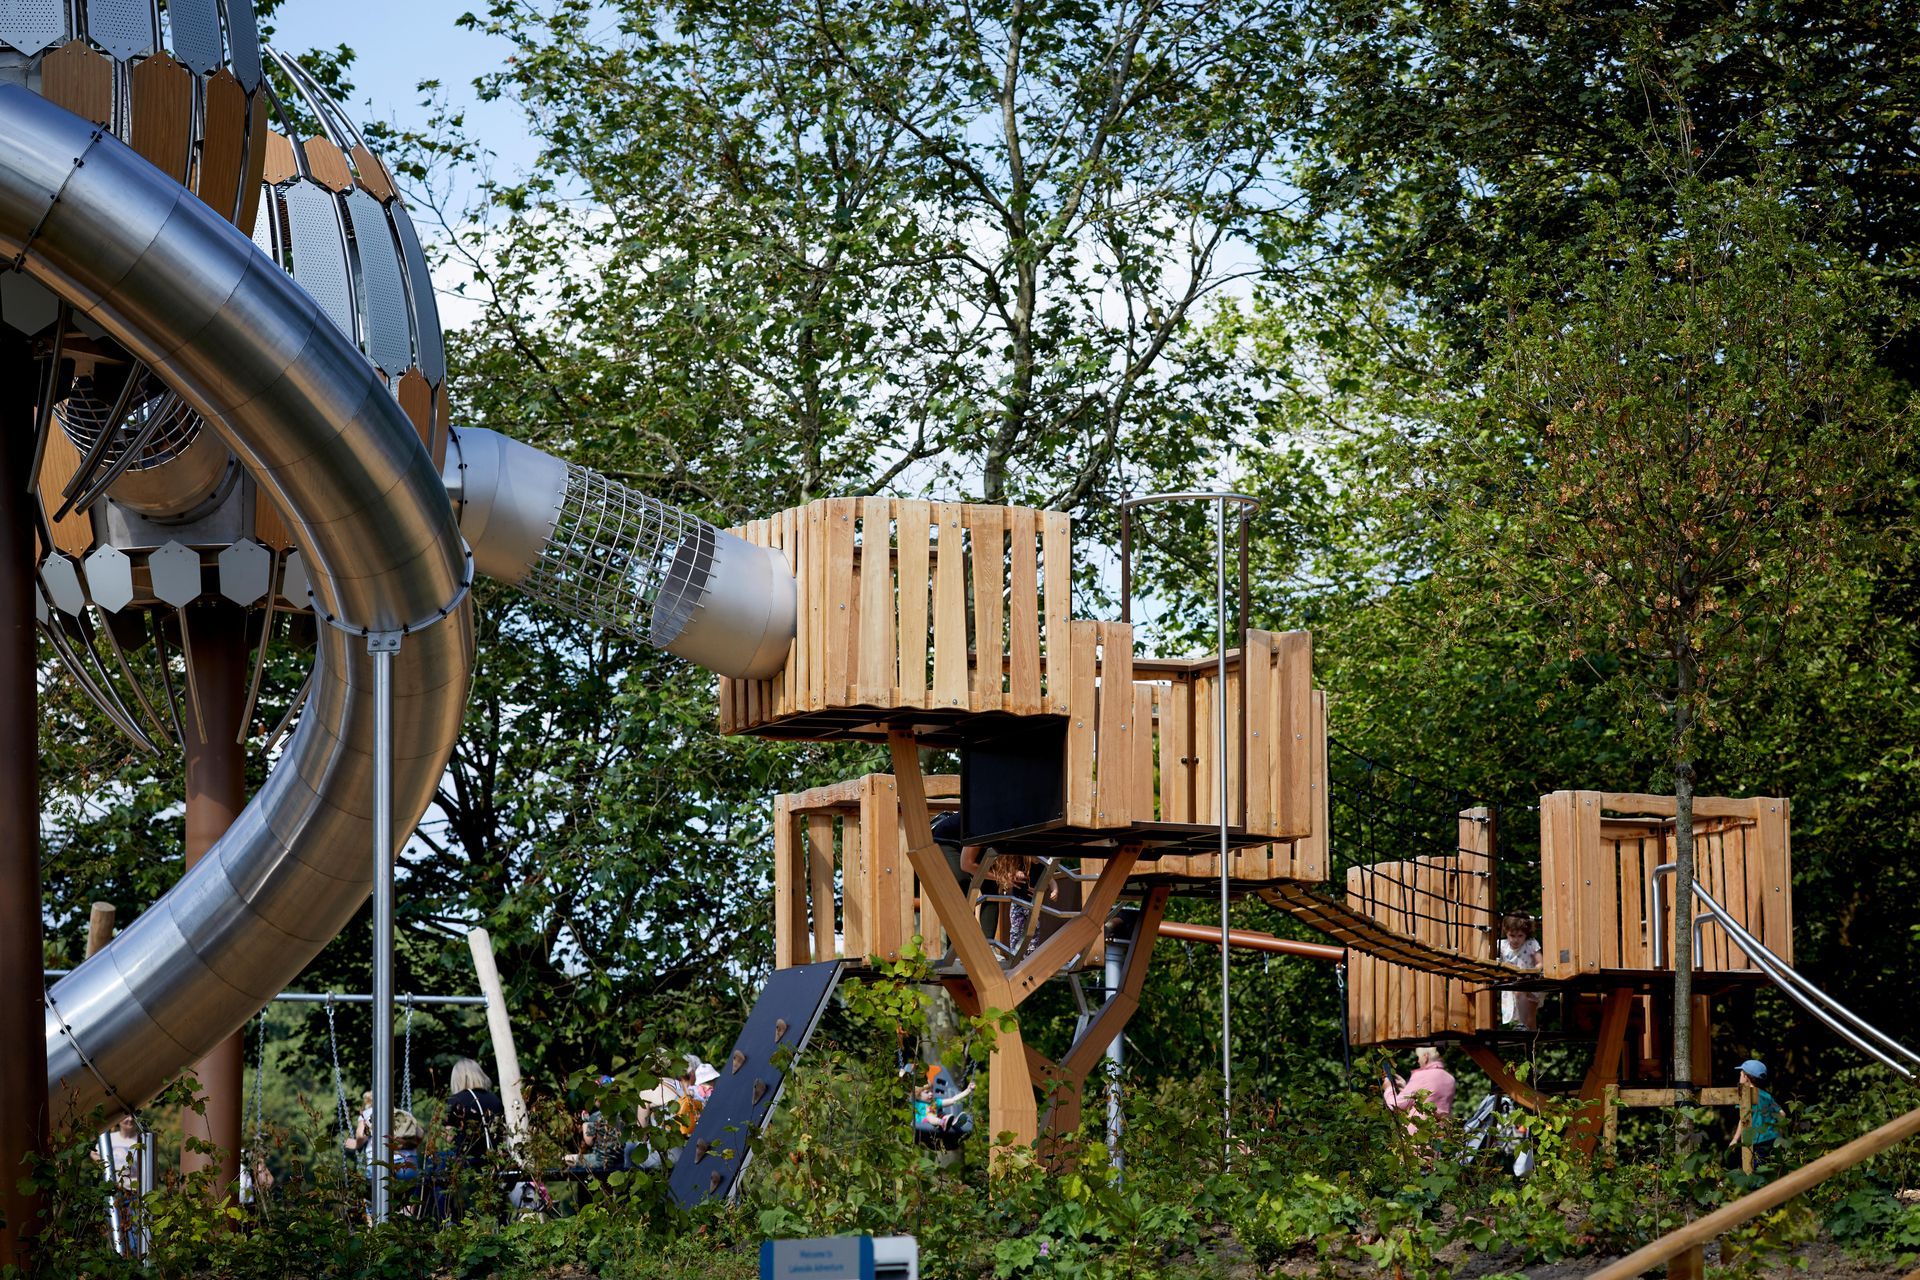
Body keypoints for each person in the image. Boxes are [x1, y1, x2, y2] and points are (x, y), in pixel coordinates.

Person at [444, 1058, 506, 1164]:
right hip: (494, 1161)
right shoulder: (495, 1099)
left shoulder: (455, 1101)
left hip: (467, 1162)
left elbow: (449, 1137)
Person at [1383, 1046, 1457, 1135]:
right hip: (1441, 1134)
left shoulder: (1421, 1075)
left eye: (1418, 1057)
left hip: (1419, 1136)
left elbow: (1396, 1105)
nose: (1418, 1061)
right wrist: (1406, 1087)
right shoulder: (1450, 1079)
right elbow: (1430, 1097)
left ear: (1425, 1056)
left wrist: (1388, 1088)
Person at [1729, 1059, 1783, 1170]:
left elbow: (1743, 1119)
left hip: (1758, 1141)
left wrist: (1735, 1139)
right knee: (1772, 1169)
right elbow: (1782, 1114)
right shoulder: (1766, 1095)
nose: (1739, 1078)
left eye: (1740, 1075)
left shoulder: (1746, 1096)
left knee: (1757, 1172)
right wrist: (1778, 1132)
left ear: (1746, 1077)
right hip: (1773, 1139)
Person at [1498, 915, 1544, 1030]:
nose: (1515, 939)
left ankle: (1523, 1026)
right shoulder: (1502, 946)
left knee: (1530, 1016)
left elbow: (1540, 963)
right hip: (1512, 983)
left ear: (1526, 935)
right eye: (1512, 935)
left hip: (1531, 982)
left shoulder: (1530, 944)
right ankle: (1529, 1042)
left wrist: (1532, 971)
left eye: (1520, 936)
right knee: (1524, 1011)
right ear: (1506, 932)